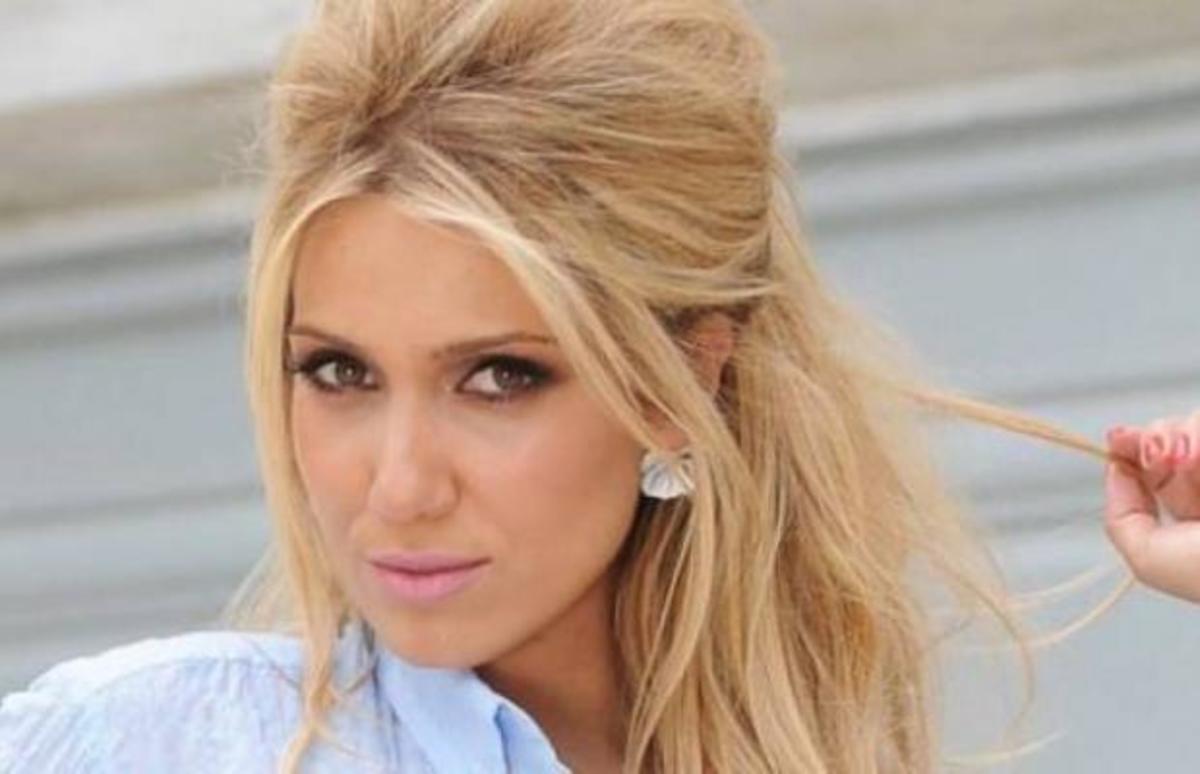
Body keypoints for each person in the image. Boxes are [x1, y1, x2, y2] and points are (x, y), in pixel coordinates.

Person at [0, 1, 1196, 772]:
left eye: (499, 377)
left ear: (683, 380)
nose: (398, 488)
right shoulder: (145, 742)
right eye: (338, 371)